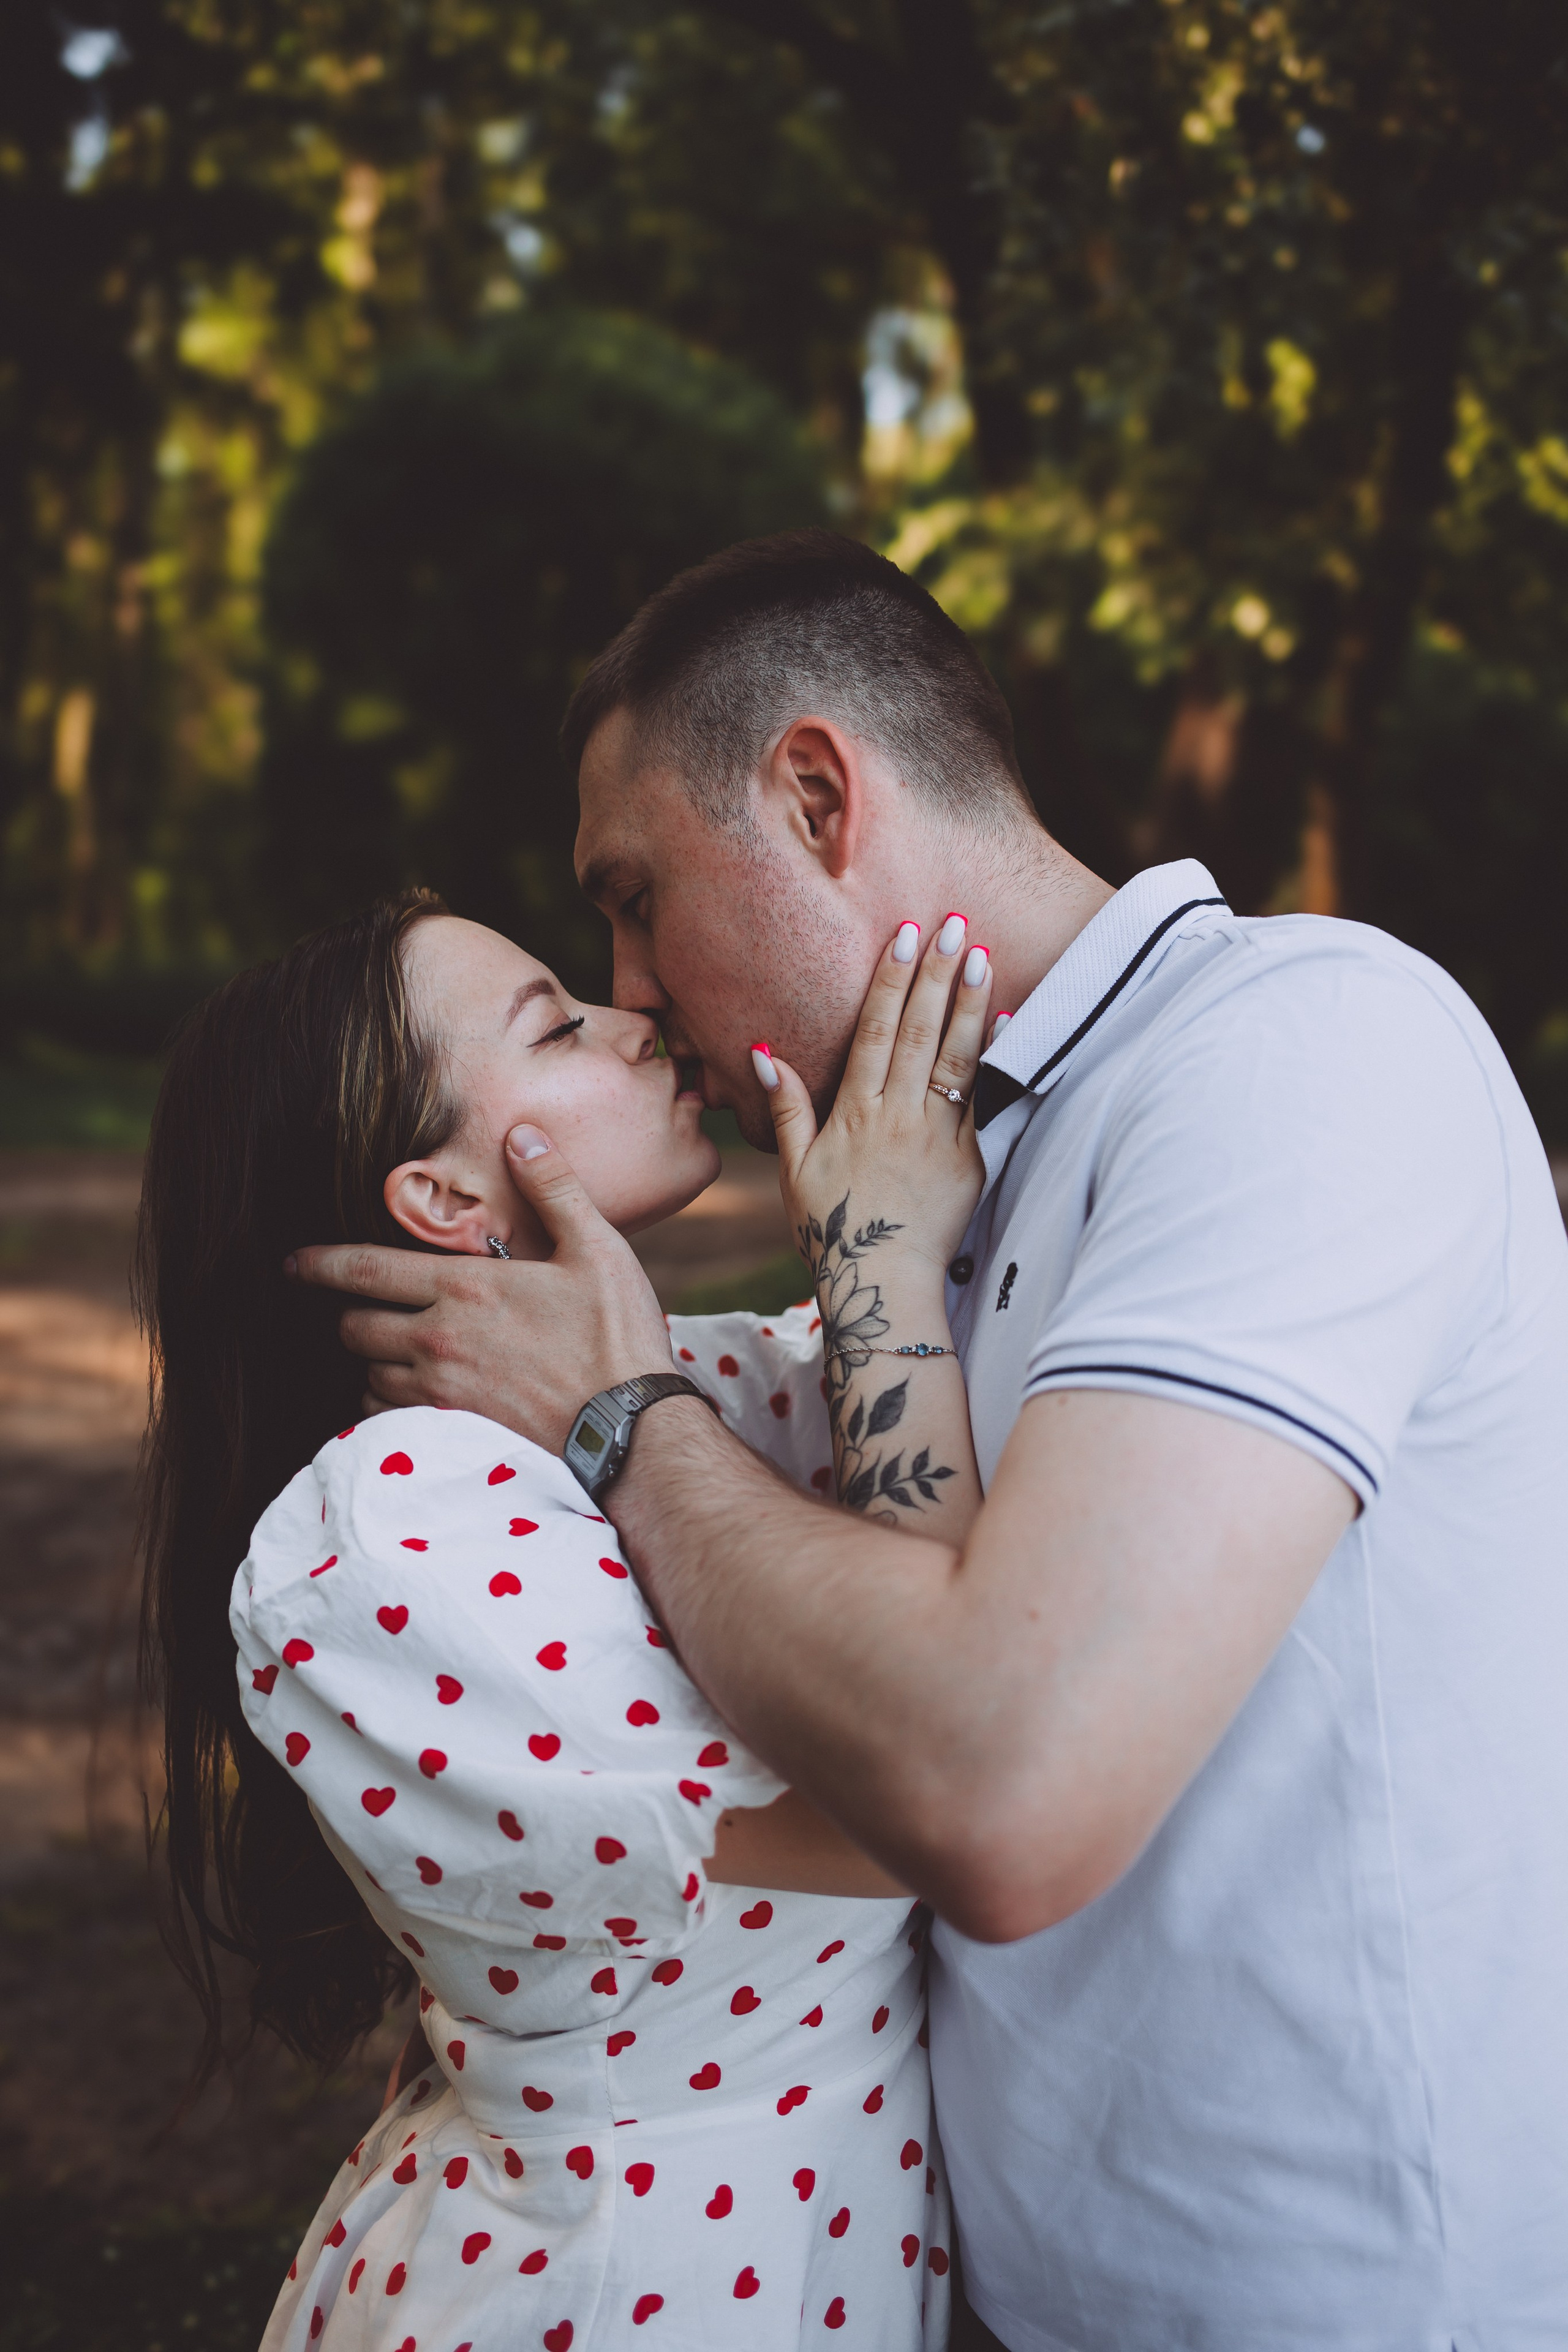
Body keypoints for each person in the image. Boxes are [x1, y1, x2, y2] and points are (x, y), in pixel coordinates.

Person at [293, 530, 1568, 2352]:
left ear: (817, 794)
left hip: (1338, 2299)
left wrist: (619, 1415)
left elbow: (1002, 1779)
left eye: (638, 896)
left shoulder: (1296, 1054)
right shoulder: (926, 1183)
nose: (631, 987)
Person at [137, 886, 997, 2350]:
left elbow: (901, 1411)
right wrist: (878, 1267)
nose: (634, 1013)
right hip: (617, 2287)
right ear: (451, 1201)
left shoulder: (676, 1386)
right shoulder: (398, 1529)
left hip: (786, 2252)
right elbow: (924, 1793)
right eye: (558, 1023)